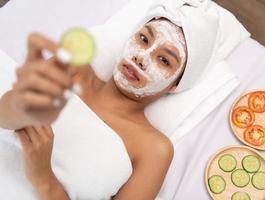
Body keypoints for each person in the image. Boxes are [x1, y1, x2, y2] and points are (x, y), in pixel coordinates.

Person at [0, 18, 187, 200]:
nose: (141, 57)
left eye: (163, 60)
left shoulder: (153, 148)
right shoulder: (72, 67)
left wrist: (44, 179)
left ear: (174, 85)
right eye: (144, 39)